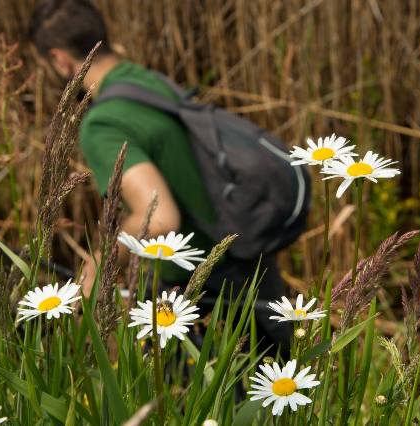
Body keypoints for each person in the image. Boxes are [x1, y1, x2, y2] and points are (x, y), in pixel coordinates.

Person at [28, 0, 290, 355]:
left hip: (205, 298)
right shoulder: (147, 81)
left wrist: (95, 266)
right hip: (253, 266)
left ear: (59, 59)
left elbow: (160, 217)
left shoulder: (102, 123)